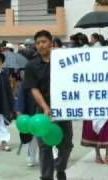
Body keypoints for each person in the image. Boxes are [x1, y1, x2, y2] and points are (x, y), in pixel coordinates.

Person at [24, 30, 73, 180]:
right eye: (38, 43)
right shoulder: (31, 66)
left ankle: (60, 168)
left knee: (66, 144)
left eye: (44, 41)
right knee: (45, 146)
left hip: (64, 110)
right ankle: (46, 177)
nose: (40, 45)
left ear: (51, 43)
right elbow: (34, 89)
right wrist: (45, 107)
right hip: (43, 111)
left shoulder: (64, 61)